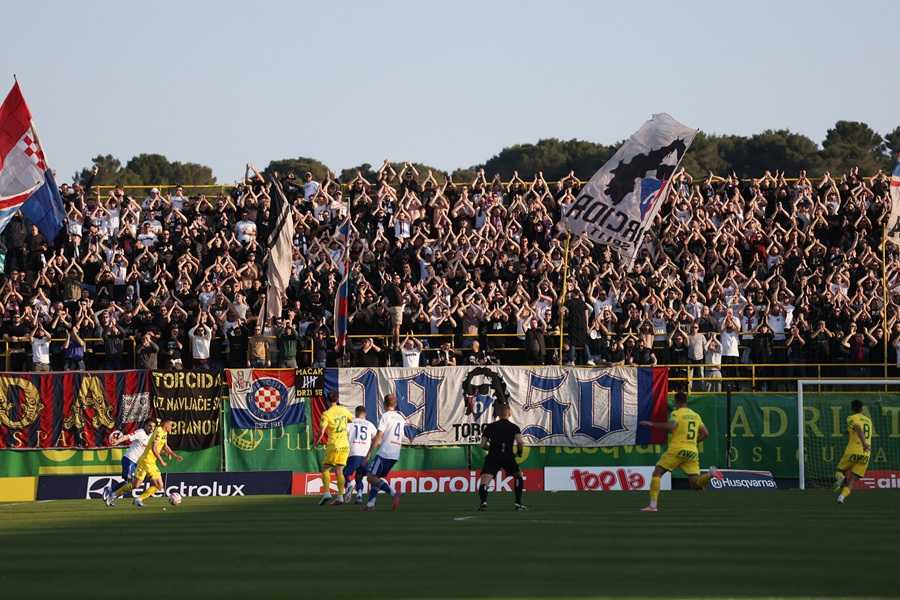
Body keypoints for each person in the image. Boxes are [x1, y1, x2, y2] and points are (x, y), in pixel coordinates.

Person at [638, 392, 723, 512]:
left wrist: (652, 424)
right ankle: (710, 474)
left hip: (677, 449)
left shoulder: (676, 413)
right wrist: (694, 442)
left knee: (657, 473)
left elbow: (672, 426)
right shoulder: (695, 415)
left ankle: (652, 506)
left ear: (676, 402)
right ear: (686, 401)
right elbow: (706, 433)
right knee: (695, 483)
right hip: (692, 451)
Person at [113, 420, 182, 508]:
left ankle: (116, 495)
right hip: (148, 461)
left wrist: (174, 455)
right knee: (158, 485)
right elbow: (154, 448)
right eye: (171, 426)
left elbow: (165, 446)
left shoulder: (164, 433)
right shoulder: (159, 432)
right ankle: (131, 497)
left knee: (136, 485)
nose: (172, 428)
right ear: (166, 425)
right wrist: (161, 461)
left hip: (148, 461)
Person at [477, 402, 527, 511]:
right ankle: (518, 504)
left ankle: (483, 503)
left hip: (493, 456)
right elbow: (520, 442)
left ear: (498, 414)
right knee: (518, 476)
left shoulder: (490, 427)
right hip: (508, 456)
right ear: (509, 413)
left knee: (485, 480)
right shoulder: (514, 427)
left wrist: (492, 449)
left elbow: (482, 444)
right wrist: (519, 452)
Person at [364, 393, 406, 511]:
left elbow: (378, 436)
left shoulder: (385, 416)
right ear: (396, 404)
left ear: (384, 404)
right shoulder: (401, 418)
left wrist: (369, 454)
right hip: (395, 453)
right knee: (376, 477)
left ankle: (393, 493)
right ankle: (371, 504)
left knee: (370, 477)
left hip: (385, 452)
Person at [103, 420, 154, 506]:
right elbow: (127, 436)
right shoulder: (140, 432)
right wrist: (118, 441)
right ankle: (111, 493)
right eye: (149, 426)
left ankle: (110, 490)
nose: (151, 428)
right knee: (132, 483)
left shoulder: (152, 436)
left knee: (131, 484)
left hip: (137, 463)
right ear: (145, 425)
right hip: (129, 459)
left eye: (153, 426)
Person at [316, 392, 354, 506]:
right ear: (337, 399)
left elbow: (322, 431)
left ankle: (327, 493)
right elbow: (351, 420)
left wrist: (316, 442)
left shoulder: (326, 414)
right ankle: (340, 496)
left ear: (327, 401)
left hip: (334, 444)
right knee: (339, 471)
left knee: (325, 469)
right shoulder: (344, 410)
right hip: (345, 445)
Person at [833, 399, 874, 504]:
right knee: (853, 480)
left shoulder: (851, 417)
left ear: (852, 408)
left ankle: (841, 478)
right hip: (866, 454)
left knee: (839, 470)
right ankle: (841, 497)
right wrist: (847, 431)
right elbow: (857, 428)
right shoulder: (868, 420)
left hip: (854, 450)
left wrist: (864, 443)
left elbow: (858, 427)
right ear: (862, 408)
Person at [342, 405, 377, 504]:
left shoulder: (350, 423)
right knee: (359, 476)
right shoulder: (370, 424)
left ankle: (349, 485)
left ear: (356, 413)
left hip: (354, 453)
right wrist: (370, 448)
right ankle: (359, 496)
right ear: (365, 414)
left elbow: (343, 435)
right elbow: (377, 439)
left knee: (345, 473)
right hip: (365, 455)